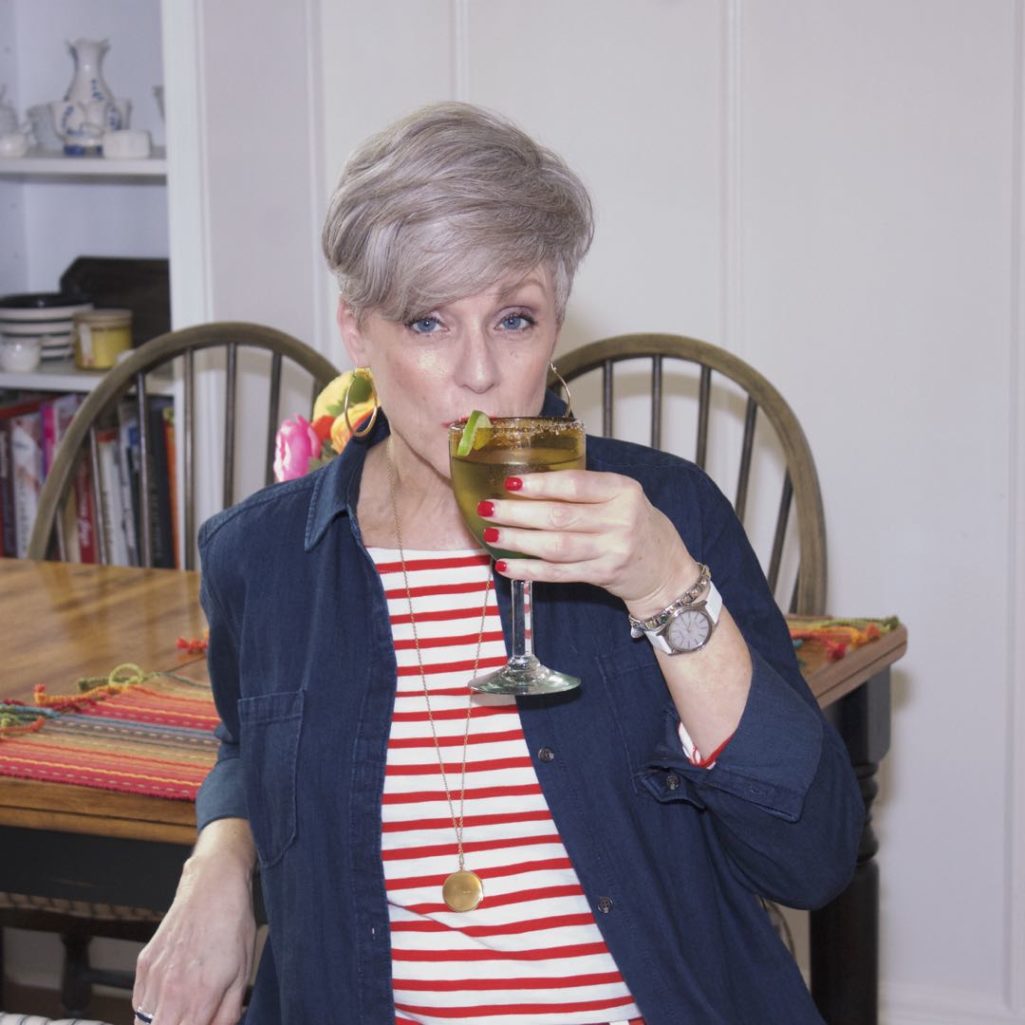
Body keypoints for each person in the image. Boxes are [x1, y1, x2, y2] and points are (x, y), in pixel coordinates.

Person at [133, 101, 863, 1025]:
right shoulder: (263, 555)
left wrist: (665, 589)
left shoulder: (662, 517)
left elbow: (812, 855)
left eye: (514, 319)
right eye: (428, 323)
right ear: (357, 332)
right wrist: (220, 862)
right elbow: (252, 737)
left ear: (554, 324)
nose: (478, 373)